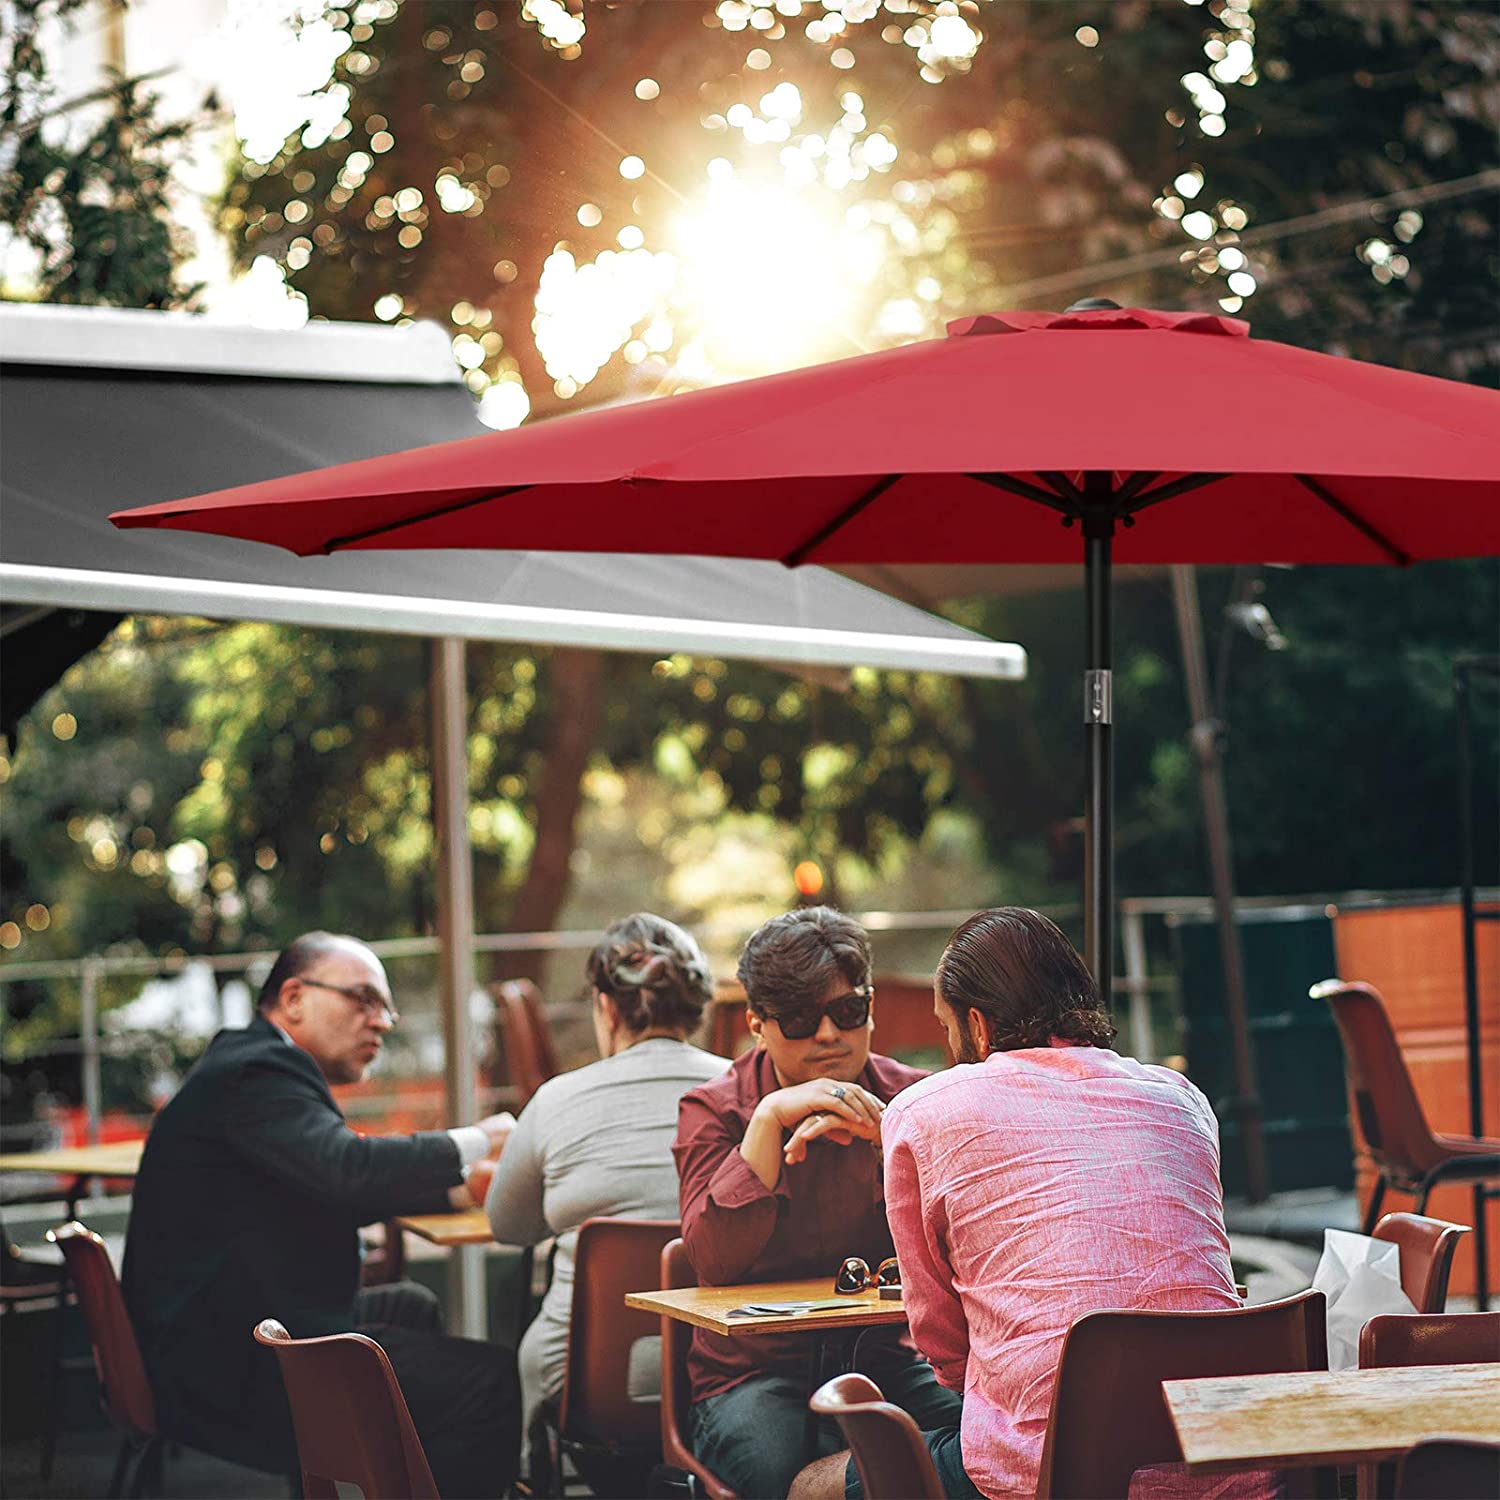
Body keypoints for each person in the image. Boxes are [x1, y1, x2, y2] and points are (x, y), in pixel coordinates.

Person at [791, 907, 1253, 1500]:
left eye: (945, 1027)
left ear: (977, 1028)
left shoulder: (924, 1110)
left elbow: (940, 1336)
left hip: (1049, 1466)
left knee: (811, 1486)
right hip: (1225, 1456)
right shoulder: (1182, 1098)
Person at [122, 931, 521, 1498]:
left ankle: (392, 1481)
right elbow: (345, 1167)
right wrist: (476, 1140)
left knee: (411, 1305)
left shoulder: (249, 1065)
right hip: (233, 1366)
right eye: (363, 999)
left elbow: (320, 1181)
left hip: (223, 1331)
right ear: (293, 998)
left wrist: (458, 1192)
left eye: (385, 1006)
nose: (381, 1021)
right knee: (490, 1380)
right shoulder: (259, 1071)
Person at [674, 906, 961, 1500]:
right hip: (753, 1373)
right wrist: (769, 1120)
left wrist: (894, 1146)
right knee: (777, 1476)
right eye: (801, 1020)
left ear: (871, 1007)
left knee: (977, 1448)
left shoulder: (915, 1097)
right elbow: (712, 1263)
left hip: (889, 1357)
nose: (829, 1035)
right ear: (756, 1025)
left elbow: (968, 1248)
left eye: (848, 1012)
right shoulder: (713, 1109)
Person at [483, 912, 728, 1488]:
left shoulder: (556, 1101)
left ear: (607, 1007)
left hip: (580, 1381)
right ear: (697, 1008)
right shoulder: (746, 1094)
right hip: (720, 1368)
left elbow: (506, 1226)